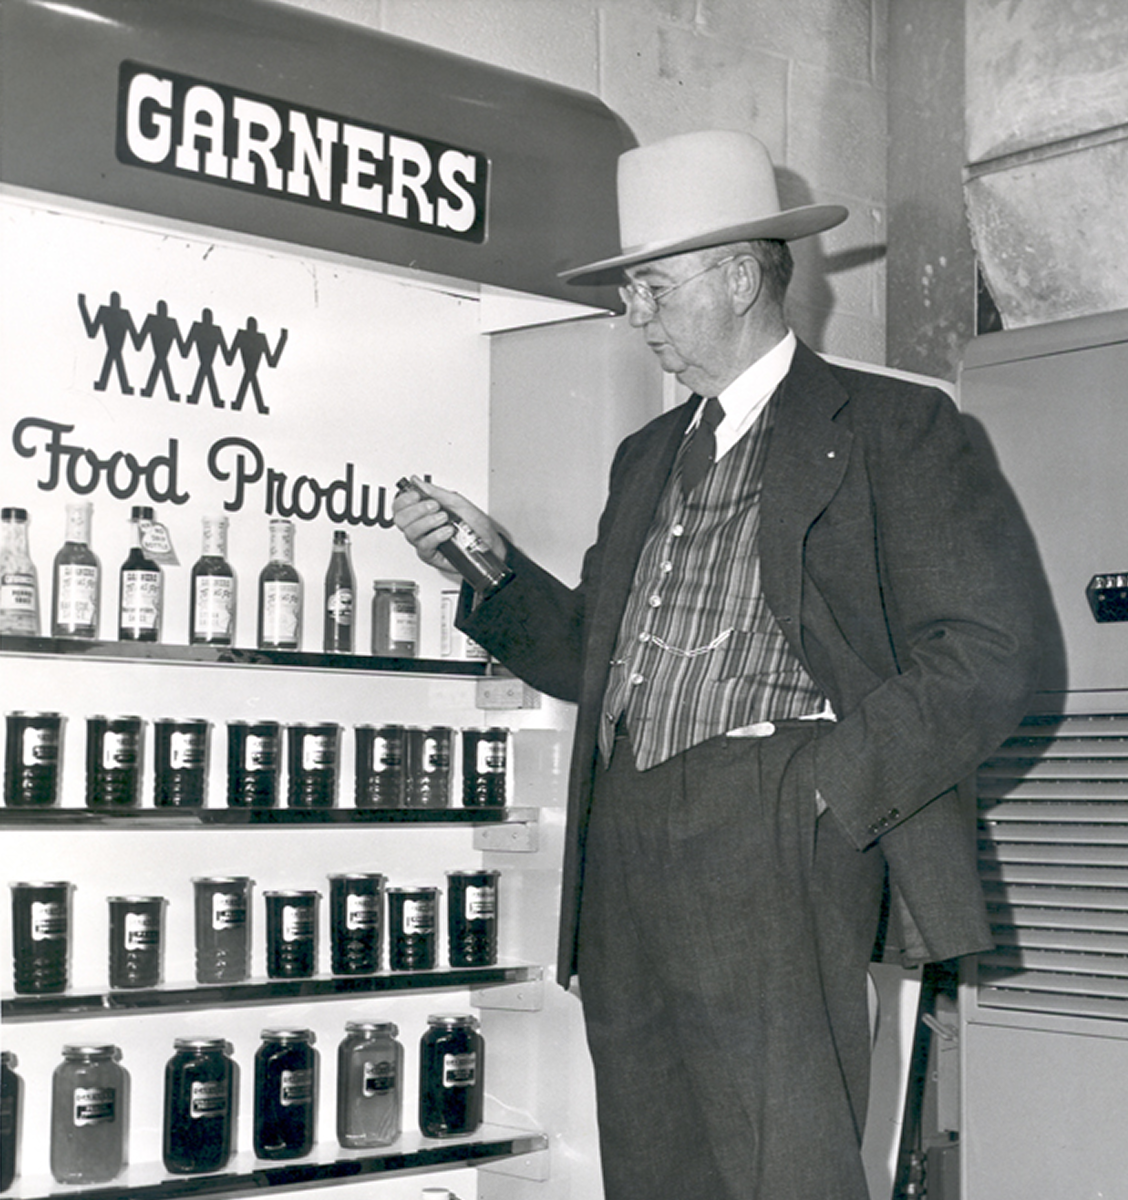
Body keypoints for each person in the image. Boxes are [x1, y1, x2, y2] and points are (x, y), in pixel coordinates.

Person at [394, 130, 1046, 1200]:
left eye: (652, 286)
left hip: (775, 836)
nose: (634, 315)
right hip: (625, 851)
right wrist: (490, 571)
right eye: (630, 291)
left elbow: (990, 652)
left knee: (782, 1172)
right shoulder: (646, 457)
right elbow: (592, 660)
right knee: (655, 1169)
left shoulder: (894, 429)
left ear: (742, 274)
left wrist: (825, 788)